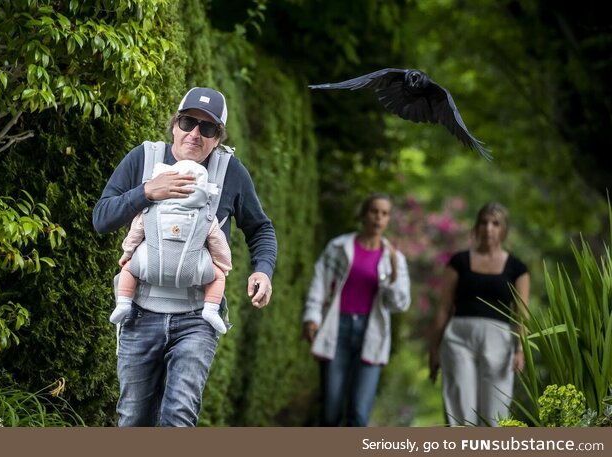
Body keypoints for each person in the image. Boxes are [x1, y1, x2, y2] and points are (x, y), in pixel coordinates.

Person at [92, 86, 277, 427]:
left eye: (207, 128)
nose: (195, 134)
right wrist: (147, 191)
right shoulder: (144, 159)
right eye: (189, 122)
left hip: (196, 318)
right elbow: (102, 217)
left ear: (218, 138)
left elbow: (260, 229)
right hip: (139, 310)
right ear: (174, 124)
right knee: (133, 418)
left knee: (178, 416)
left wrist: (263, 270)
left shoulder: (230, 173)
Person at [302, 193, 411, 427]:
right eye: (374, 211)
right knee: (331, 411)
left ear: (388, 219)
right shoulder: (339, 247)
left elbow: (400, 304)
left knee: (359, 415)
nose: (378, 218)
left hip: (370, 333)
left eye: (384, 214)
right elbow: (320, 282)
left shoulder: (394, 259)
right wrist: (312, 317)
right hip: (337, 328)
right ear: (363, 214)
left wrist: (392, 277)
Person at [428, 202, 530, 427]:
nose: (488, 228)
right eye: (484, 222)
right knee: (460, 412)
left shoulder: (517, 268)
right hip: (458, 339)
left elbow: (521, 314)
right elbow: (443, 308)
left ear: (503, 229)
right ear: (477, 226)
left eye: (495, 223)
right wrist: (433, 350)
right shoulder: (459, 262)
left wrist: (520, 349)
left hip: (500, 343)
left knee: (495, 416)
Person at [110, 159, 232, 335]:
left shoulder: (150, 208)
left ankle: (123, 304)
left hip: (149, 264)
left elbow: (134, 235)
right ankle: (211, 310)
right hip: (193, 270)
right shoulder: (206, 216)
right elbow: (218, 244)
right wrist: (223, 265)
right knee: (218, 277)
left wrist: (127, 254)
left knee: (128, 270)